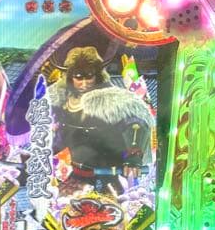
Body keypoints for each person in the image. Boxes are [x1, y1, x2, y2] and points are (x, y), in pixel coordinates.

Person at [48, 46, 154, 188]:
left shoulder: (114, 100)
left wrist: (134, 155)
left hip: (108, 177)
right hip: (70, 177)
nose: (84, 83)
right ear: (70, 77)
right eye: (78, 77)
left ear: (97, 75)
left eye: (89, 76)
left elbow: (135, 123)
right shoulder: (58, 100)